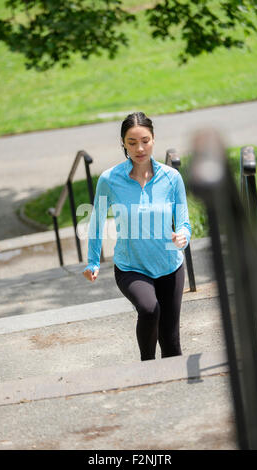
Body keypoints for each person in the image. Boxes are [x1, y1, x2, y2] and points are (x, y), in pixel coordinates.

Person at [82, 112, 191, 361]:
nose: (139, 148)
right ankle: (146, 368)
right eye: (132, 142)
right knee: (149, 309)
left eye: (145, 140)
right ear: (123, 143)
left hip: (170, 266)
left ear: (153, 139)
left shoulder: (171, 178)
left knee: (172, 345)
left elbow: (184, 221)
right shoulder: (109, 180)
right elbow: (96, 222)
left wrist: (183, 236)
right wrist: (93, 262)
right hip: (131, 267)